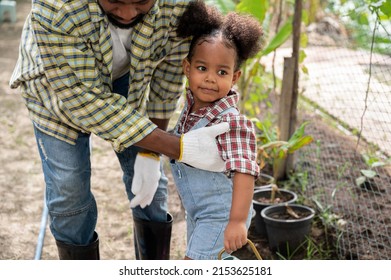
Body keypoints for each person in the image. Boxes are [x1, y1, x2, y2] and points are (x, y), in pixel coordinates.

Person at [9, 0, 230, 260]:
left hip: (127, 75)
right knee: (69, 191)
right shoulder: (56, 8)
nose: (127, 14)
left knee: (152, 190)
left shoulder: (179, 4)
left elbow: (168, 74)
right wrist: (179, 147)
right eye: (114, 1)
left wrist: (150, 154)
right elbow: (85, 100)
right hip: (55, 85)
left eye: (141, 2)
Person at [170, 0, 263, 260]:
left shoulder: (231, 123)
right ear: (187, 69)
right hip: (198, 212)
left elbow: (245, 171)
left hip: (222, 214)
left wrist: (236, 221)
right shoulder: (190, 112)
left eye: (221, 72)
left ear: (234, 77)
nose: (210, 78)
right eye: (202, 68)